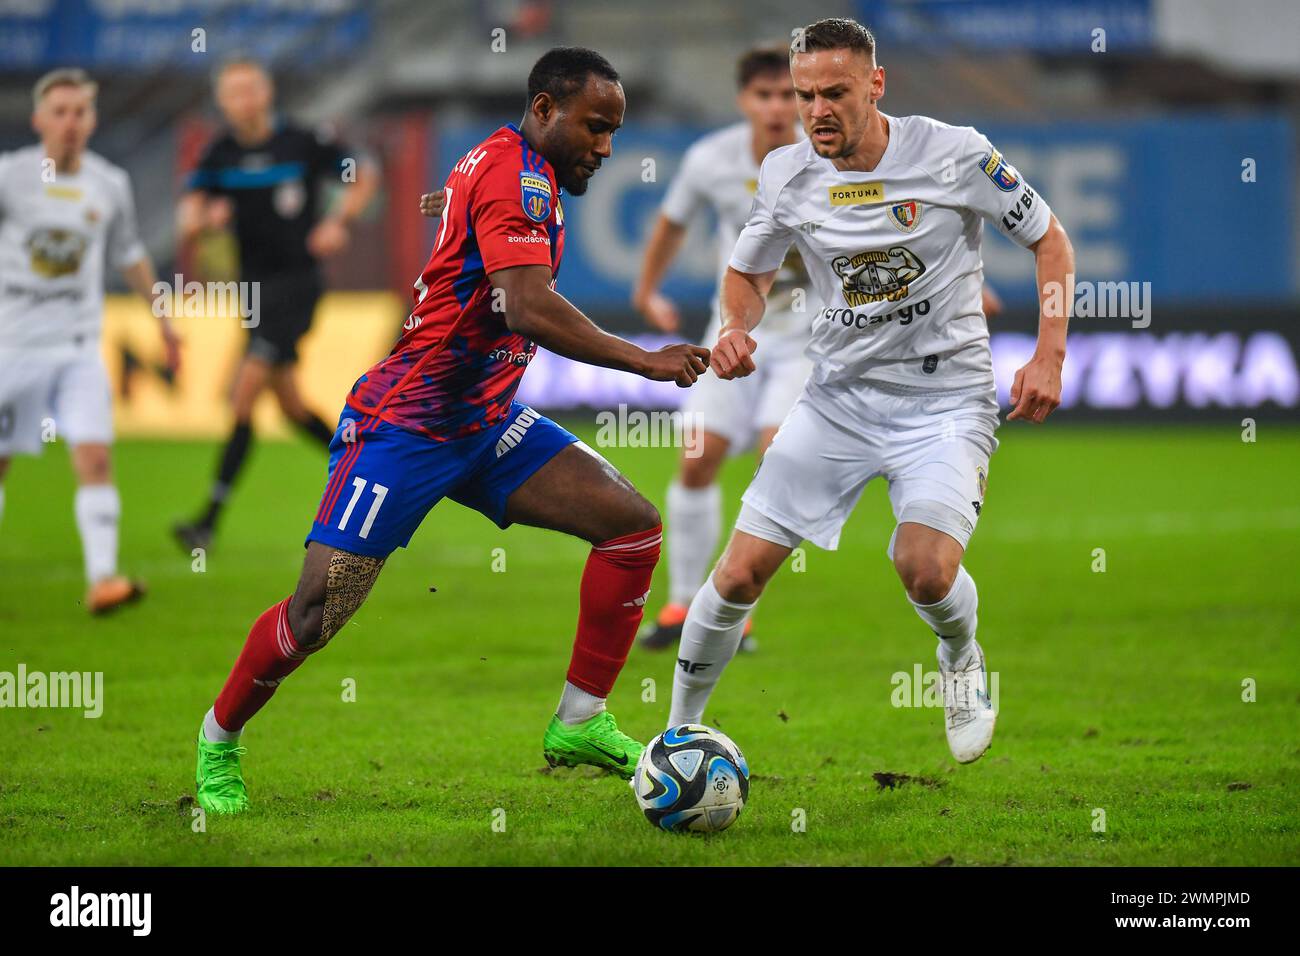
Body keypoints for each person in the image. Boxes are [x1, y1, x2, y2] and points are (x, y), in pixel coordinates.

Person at [194, 47, 711, 814]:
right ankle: (218, 740)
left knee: (631, 528)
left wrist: (458, 204)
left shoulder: (503, 160)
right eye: (595, 128)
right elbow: (527, 308)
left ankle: (580, 720)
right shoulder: (516, 175)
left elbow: (482, 216)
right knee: (316, 611)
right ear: (544, 109)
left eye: (614, 132)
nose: (606, 148)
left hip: (485, 418)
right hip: (406, 423)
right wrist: (644, 360)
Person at [667, 18, 1075, 766]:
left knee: (923, 568)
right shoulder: (789, 174)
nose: (816, 110)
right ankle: (675, 735)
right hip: (837, 400)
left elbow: (1051, 241)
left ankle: (961, 656)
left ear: (876, 84)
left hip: (946, 402)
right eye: (804, 94)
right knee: (737, 574)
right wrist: (736, 325)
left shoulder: (957, 154)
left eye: (835, 92)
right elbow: (747, 272)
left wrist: (1049, 356)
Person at [632, 46, 812, 654]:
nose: (778, 107)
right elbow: (672, 222)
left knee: (777, 459)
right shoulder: (710, 158)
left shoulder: (832, 156)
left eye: (789, 94)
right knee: (695, 459)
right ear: (744, 101)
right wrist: (648, 288)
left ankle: (736, 608)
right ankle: (683, 603)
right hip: (731, 330)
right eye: (765, 95)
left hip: (809, 336)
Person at [174, 56, 378, 551]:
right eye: (233, 92)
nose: (243, 100)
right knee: (288, 405)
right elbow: (187, 216)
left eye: (251, 89)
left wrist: (337, 221)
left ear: (267, 92)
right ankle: (367, 465)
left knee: (244, 393)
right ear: (222, 101)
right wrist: (205, 218)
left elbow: (363, 173)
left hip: (298, 283)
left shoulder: (303, 142)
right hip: (254, 290)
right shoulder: (218, 153)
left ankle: (207, 521)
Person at [0, 68, 180, 614]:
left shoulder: (109, 183)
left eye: (80, 112)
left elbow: (128, 253)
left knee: (96, 457)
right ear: (38, 120)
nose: (71, 123)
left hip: (78, 346)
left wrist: (163, 318)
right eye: (60, 112)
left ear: (93, 119)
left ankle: (102, 579)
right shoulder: (10, 177)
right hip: (13, 345)